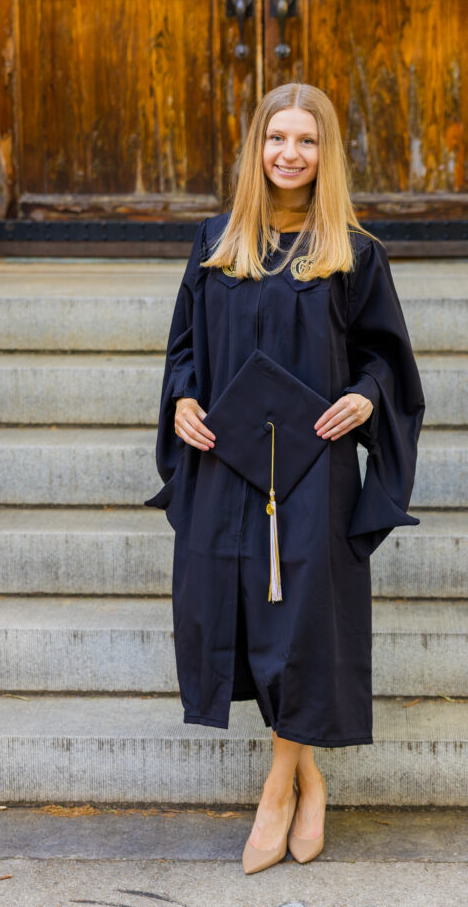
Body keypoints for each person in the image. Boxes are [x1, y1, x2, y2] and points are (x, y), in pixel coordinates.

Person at [145, 82, 425, 874]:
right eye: (277, 139)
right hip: (226, 461)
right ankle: (310, 776)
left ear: (324, 153)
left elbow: (385, 360)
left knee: (300, 624)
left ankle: (278, 787)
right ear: (256, 149)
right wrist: (183, 402)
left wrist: (363, 399)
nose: (290, 154)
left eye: (306, 141)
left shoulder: (353, 253)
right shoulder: (216, 241)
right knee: (235, 613)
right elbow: (182, 352)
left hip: (312, 465)